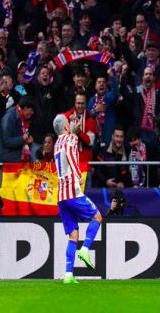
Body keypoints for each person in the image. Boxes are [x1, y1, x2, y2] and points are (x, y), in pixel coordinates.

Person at [52, 114, 102, 284]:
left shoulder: (56, 143)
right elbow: (71, 156)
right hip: (72, 192)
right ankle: (85, 249)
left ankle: (68, 275)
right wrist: (78, 175)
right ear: (66, 127)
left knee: (73, 234)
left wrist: (73, 127)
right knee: (97, 217)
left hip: (61, 197)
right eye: (69, 122)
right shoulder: (70, 138)